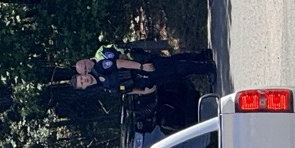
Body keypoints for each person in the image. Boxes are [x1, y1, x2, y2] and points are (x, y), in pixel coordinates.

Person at [72, 44, 215, 96]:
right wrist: (143, 92)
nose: (85, 79)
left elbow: (120, 63)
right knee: (176, 72)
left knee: (175, 66)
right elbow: (125, 90)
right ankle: (201, 59)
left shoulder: (99, 67)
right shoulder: (103, 87)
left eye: (82, 78)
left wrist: (141, 66)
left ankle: (206, 67)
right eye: (82, 82)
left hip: (141, 66)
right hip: (144, 80)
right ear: (84, 87)